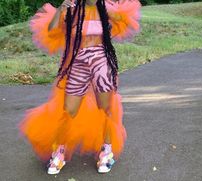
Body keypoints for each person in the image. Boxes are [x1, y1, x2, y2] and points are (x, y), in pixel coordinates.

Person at [19, 0, 141, 175]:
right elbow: (52, 31)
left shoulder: (104, 8)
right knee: (69, 109)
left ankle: (106, 150)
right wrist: (61, 9)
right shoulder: (73, 10)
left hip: (101, 60)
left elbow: (125, 20)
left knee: (105, 108)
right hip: (78, 63)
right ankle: (59, 151)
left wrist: (112, 19)